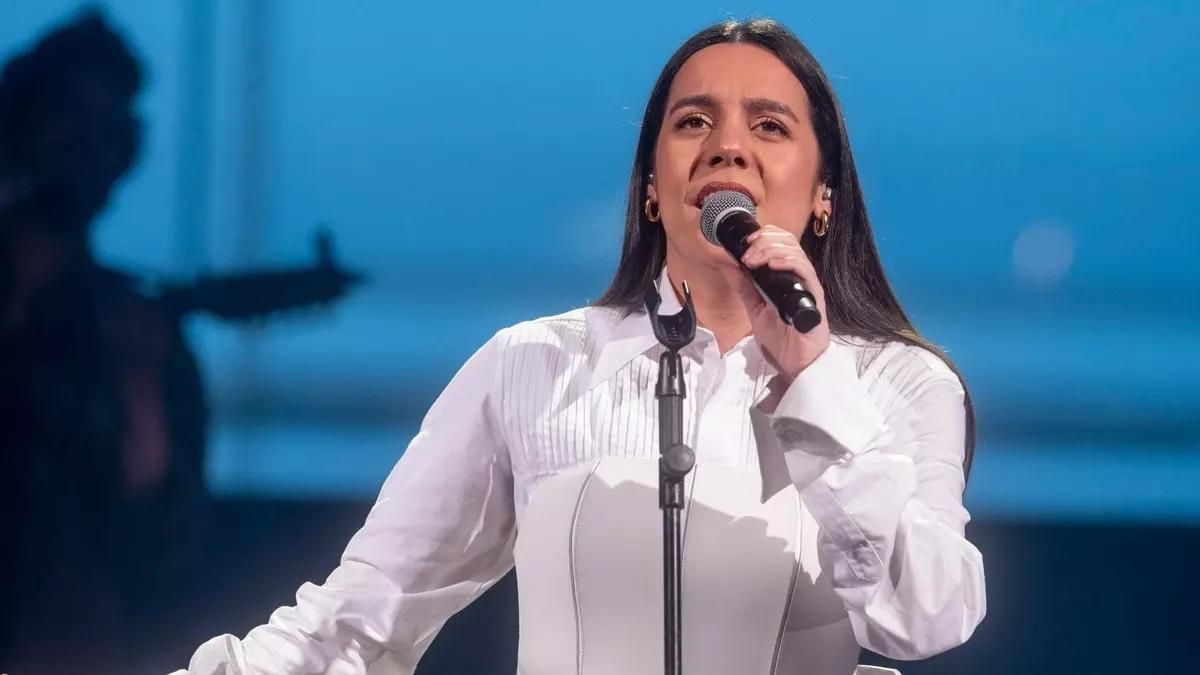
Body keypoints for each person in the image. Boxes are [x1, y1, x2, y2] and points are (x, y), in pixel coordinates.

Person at [175, 18, 985, 675]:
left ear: (822, 198)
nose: (727, 145)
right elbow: (357, 622)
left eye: (769, 125)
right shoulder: (532, 366)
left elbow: (925, 617)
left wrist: (812, 374)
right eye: (692, 121)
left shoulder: (902, 384)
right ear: (649, 188)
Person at [0, 11, 209, 674]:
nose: (81, 151)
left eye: (103, 131)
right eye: (64, 120)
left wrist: (139, 387)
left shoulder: (131, 330)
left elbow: (163, 545)